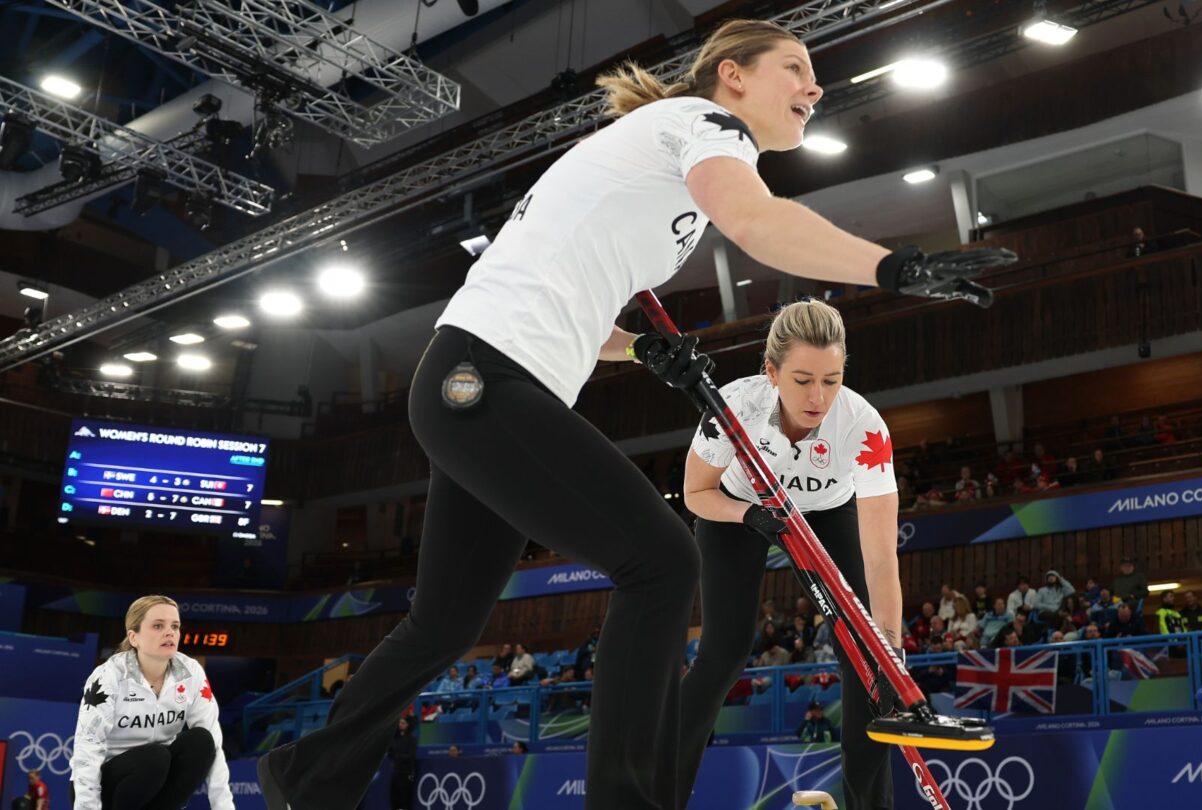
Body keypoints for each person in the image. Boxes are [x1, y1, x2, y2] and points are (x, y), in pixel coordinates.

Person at [257, 19, 972, 810]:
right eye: (796, 68)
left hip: (478, 382)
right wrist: (895, 265)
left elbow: (570, 294)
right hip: (487, 381)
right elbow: (761, 225)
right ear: (731, 75)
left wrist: (636, 350)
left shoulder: (666, 154)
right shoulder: (700, 126)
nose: (815, 87)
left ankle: (308, 776)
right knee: (662, 562)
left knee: (445, 624)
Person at [678, 299, 899, 810]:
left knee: (867, 658)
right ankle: (659, 791)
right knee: (724, 652)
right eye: (802, 380)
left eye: (832, 379)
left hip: (826, 510)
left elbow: (882, 554)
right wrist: (749, 516)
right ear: (771, 371)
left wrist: (890, 648)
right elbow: (695, 494)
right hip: (739, 507)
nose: (818, 397)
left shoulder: (864, 428)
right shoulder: (734, 407)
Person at [70, 595, 232, 810]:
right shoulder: (108, 677)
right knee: (155, 757)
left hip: (155, 784)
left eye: (175, 626)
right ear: (134, 637)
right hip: (106, 785)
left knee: (201, 741)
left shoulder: (191, 672)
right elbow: (87, 746)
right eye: (158, 626)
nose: (170, 632)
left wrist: (224, 807)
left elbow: (214, 743)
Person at [387, 717, 418, 810]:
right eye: (400, 722)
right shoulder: (395, 739)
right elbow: (391, 754)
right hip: (396, 773)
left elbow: (411, 756)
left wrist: (398, 756)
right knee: (394, 799)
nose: (400, 724)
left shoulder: (412, 739)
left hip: (406, 774)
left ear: (408, 725)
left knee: (405, 800)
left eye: (403, 723)